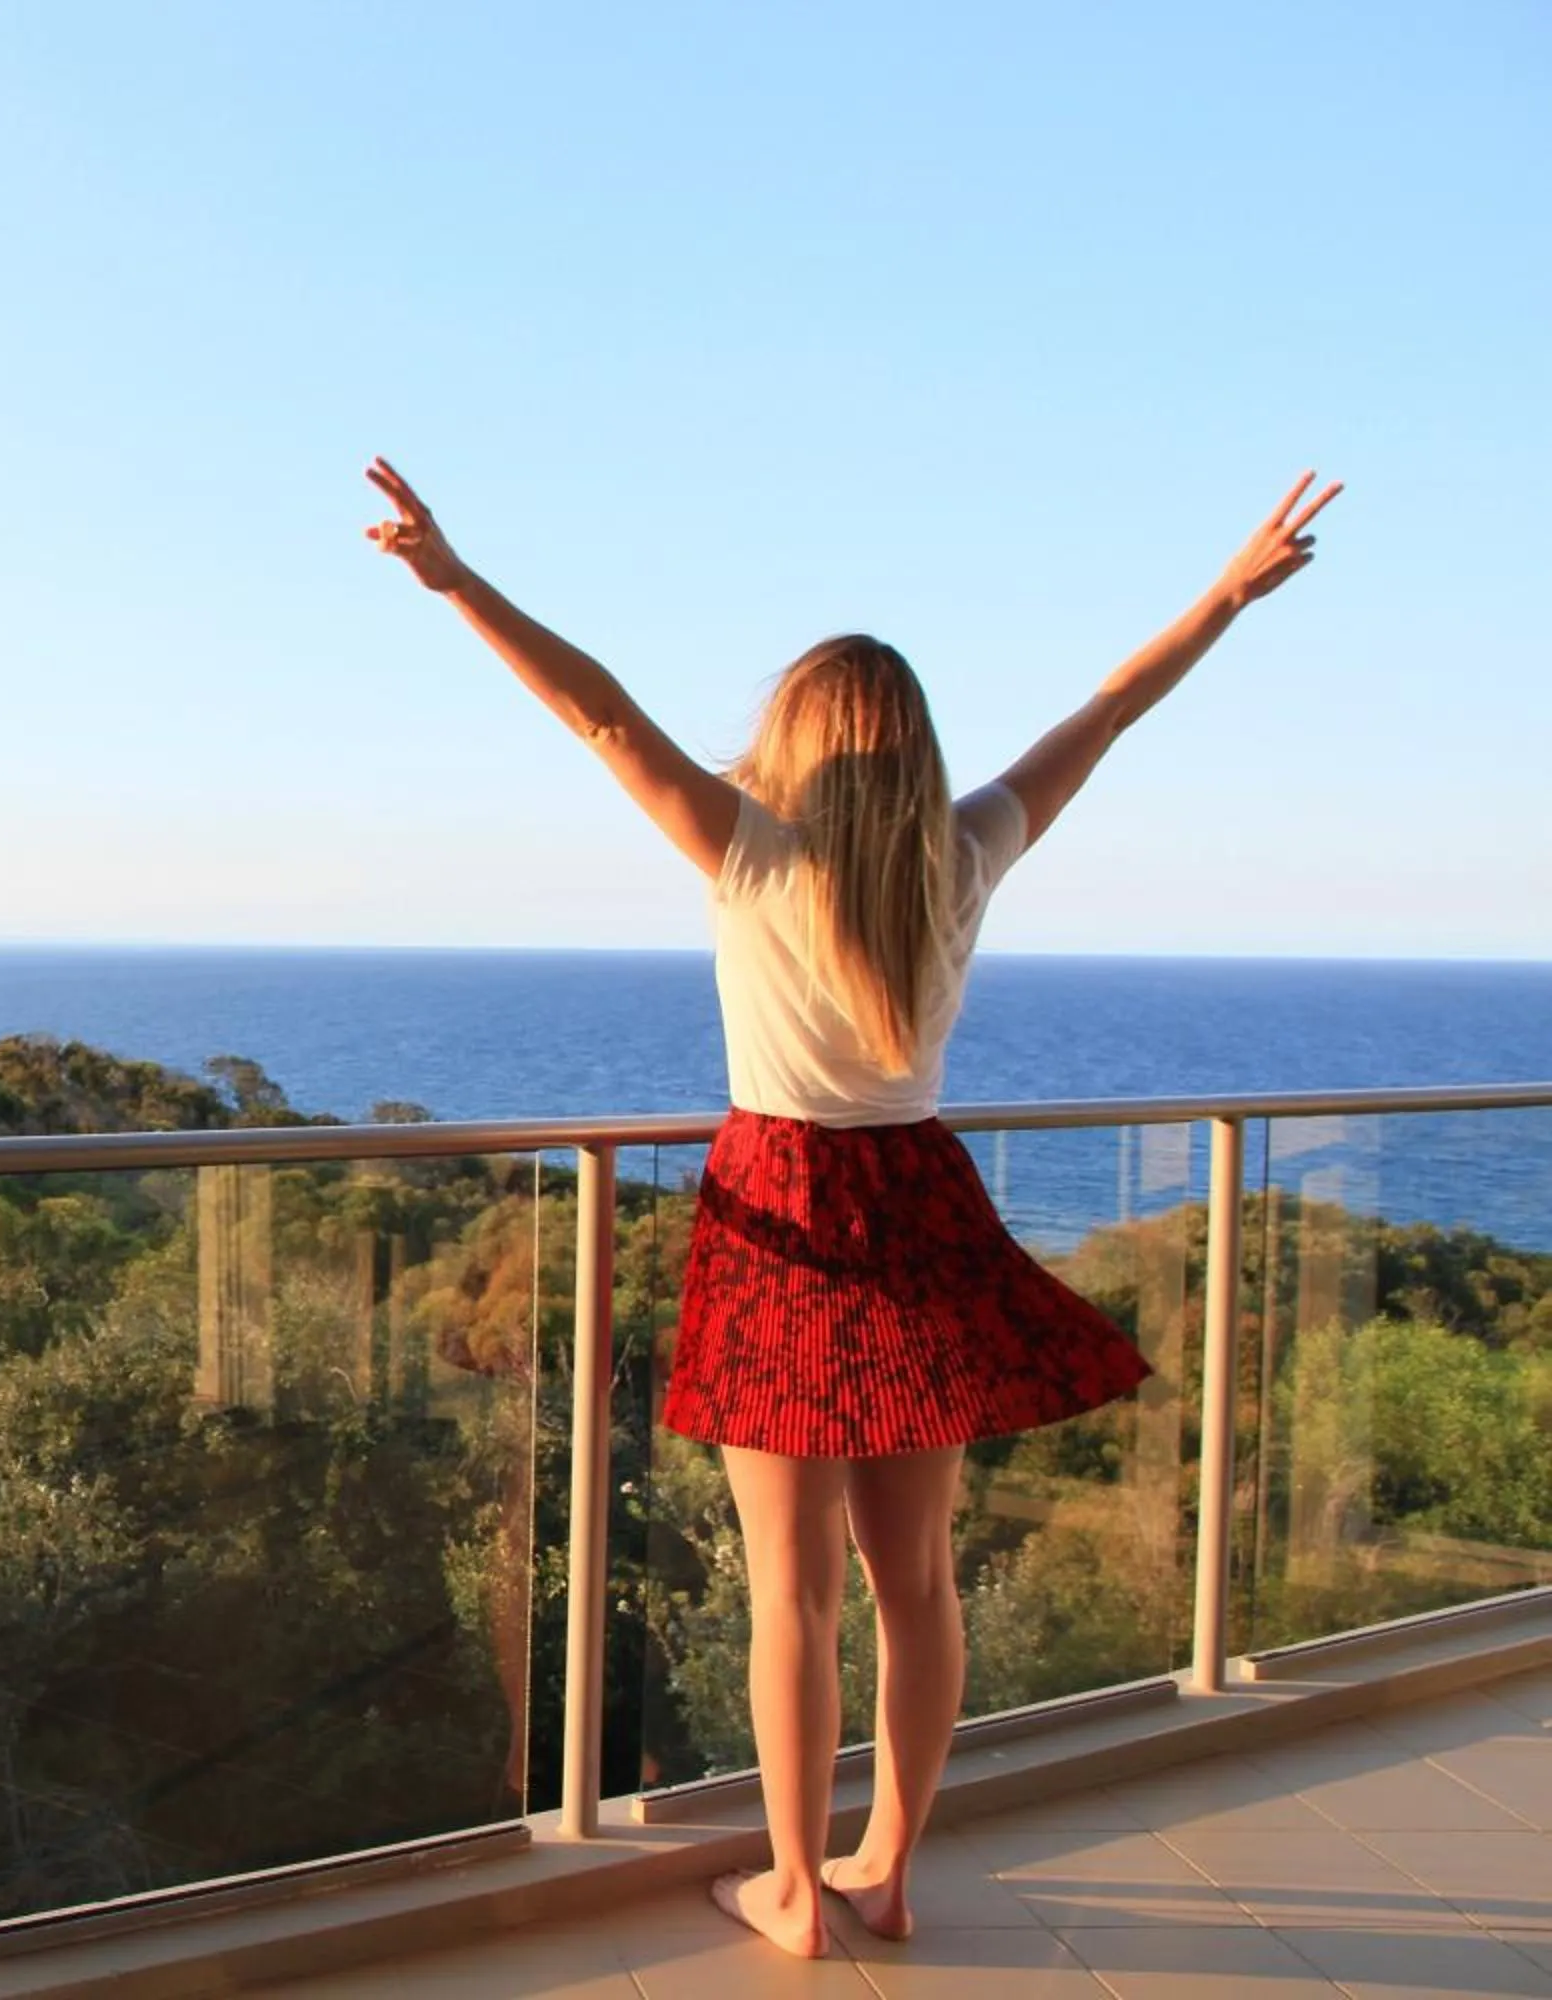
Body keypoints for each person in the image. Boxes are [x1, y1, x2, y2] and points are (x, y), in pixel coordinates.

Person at [363, 457, 1341, 1958]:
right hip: (921, 1204)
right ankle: (887, 1869)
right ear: (915, 755)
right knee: (920, 1583)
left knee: (794, 1600)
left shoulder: (753, 855)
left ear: (798, 748)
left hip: (785, 1211)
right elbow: (1107, 717)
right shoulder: (962, 857)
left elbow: (603, 714)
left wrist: (454, 581)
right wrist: (1225, 593)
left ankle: (796, 1894)